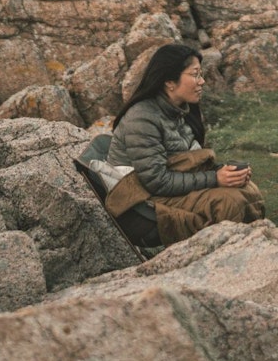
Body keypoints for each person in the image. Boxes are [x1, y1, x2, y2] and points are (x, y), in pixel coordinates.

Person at [102, 43, 265, 245]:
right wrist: (215, 178)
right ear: (170, 82)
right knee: (229, 202)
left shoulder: (177, 111)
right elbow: (156, 181)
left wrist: (229, 174)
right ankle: (221, 264)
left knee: (249, 189)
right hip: (143, 204)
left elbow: (186, 162)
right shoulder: (142, 118)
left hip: (165, 190)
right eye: (195, 74)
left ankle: (253, 253)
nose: (202, 81)